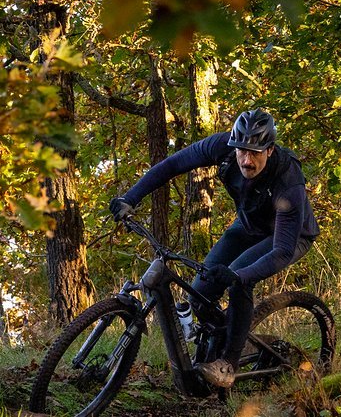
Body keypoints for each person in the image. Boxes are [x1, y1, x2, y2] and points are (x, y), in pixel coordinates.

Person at [108, 109, 319, 389]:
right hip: (247, 226)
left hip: (289, 238)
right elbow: (173, 164)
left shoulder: (288, 179)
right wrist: (130, 198)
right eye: (242, 150)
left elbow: (281, 250)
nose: (246, 159)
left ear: (269, 150)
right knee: (200, 291)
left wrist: (238, 276)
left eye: (255, 152)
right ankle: (224, 339)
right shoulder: (222, 147)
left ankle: (227, 364)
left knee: (239, 279)